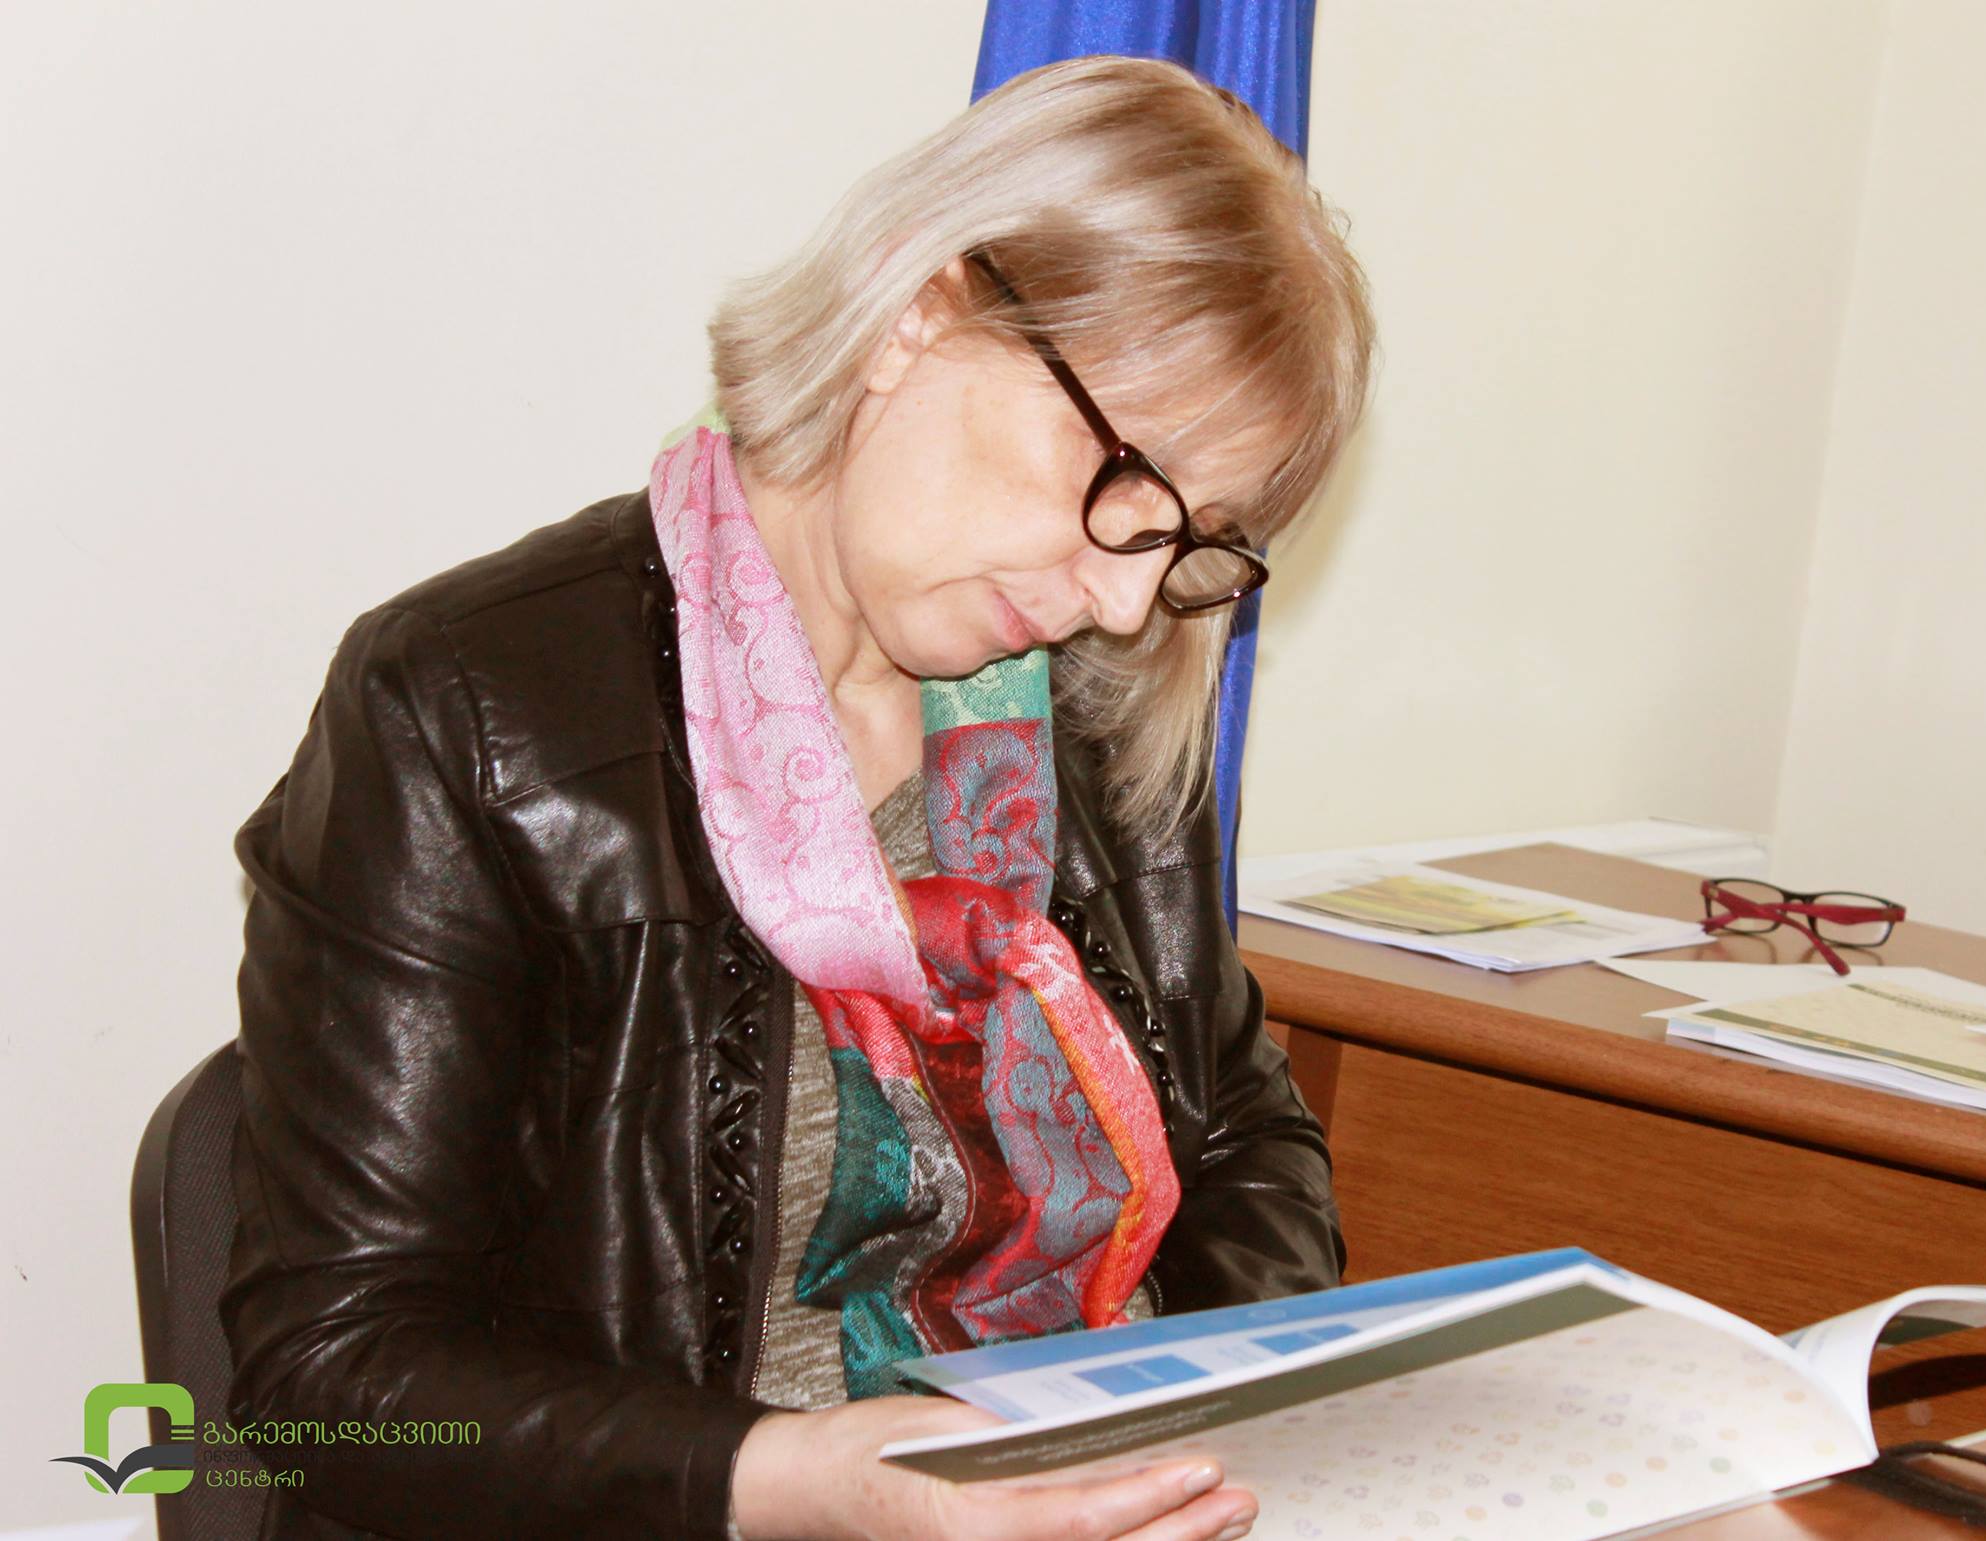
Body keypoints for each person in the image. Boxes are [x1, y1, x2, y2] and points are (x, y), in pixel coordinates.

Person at [221, 54, 1374, 1541]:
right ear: (922, 316)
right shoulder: (468, 707)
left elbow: (1239, 1138)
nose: (1126, 600)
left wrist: (1201, 1420)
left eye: (1187, 543)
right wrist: (789, 1481)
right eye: (1123, 494)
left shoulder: (1093, 718)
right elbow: (327, 1378)